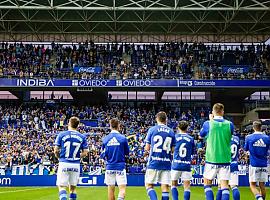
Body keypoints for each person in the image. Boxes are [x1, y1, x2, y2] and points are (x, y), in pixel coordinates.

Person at [200, 103, 234, 200]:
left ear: (213, 112)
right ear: (222, 112)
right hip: (225, 159)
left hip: (212, 159)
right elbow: (230, 134)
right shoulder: (229, 124)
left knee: (207, 183)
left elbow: (201, 135)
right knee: (224, 186)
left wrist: (211, 119)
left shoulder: (208, 123)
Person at [54, 117, 89, 200]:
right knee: (73, 189)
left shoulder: (62, 134)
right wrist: (76, 157)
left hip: (64, 162)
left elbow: (55, 150)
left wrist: (59, 157)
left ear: (69, 123)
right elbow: (85, 153)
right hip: (75, 164)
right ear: (78, 125)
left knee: (62, 187)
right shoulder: (82, 137)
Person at [145, 111, 176, 200]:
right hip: (166, 163)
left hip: (153, 162)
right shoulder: (171, 131)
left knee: (149, 185)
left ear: (156, 119)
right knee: (165, 187)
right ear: (166, 120)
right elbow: (173, 150)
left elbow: (147, 148)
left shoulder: (152, 130)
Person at [101, 118, 129, 200]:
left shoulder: (105, 139)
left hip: (109, 167)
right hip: (120, 166)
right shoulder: (123, 138)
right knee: (122, 189)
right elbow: (127, 153)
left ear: (110, 126)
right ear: (119, 126)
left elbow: (103, 154)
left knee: (110, 190)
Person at [244, 121, 270, 200]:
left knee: (252, 185)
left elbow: (246, 149)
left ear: (253, 128)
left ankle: (259, 198)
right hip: (264, 164)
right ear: (261, 127)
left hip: (254, 164)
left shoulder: (249, 137)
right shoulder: (267, 138)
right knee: (262, 186)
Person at [171, 120, 195, 200]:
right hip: (186, 165)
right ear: (187, 128)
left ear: (178, 128)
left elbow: (172, 150)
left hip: (176, 165)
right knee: (187, 186)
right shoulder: (191, 139)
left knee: (173, 184)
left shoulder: (175, 137)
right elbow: (192, 152)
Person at [216, 134, 240, 200]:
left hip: (224, 164)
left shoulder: (223, 137)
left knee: (221, 187)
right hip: (234, 164)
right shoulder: (237, 138)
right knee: (234, 187)